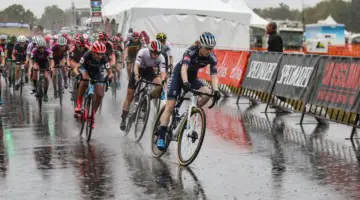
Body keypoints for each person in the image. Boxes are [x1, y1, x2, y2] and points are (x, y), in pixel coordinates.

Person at [155, 32, 221, 150]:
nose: (209, 51)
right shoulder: (191, 51)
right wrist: (185, 82)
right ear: (200, 46)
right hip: (179, 75)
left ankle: (189, 114)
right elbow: (184, 68)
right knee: (170, 106)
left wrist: (216, 90)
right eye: (207, 48)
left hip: (192, 78)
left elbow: (214, 75)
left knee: (207, 92)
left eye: (211, 49)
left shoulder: (212, 57)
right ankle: (161, 135)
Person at [120, 40, 166, 131]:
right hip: (138, 70)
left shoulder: (161, 57)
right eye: (154, 52)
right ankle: (123, 118)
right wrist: (136, 75)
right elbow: (136, 65)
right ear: (149, 50)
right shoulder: (143, 52)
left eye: (158, 53)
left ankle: (147, 99)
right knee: (130, 96)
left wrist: (163, 80)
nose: (156, 55)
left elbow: (163, 72)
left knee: (159, 84)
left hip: (149, 70)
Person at [73, 41, 114, 129]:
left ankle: (92, 116)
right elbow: (76, 68)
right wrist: (78, 74)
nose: (100, 56)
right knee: (85, 80)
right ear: (93, 52)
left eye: (102, 54)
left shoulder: (104, 58)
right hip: (85, 69)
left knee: (100, 94)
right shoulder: (87, 55)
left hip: (96, 72)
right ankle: (79, 103)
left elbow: (110, 72)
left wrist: (109, 77)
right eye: (98, 54)